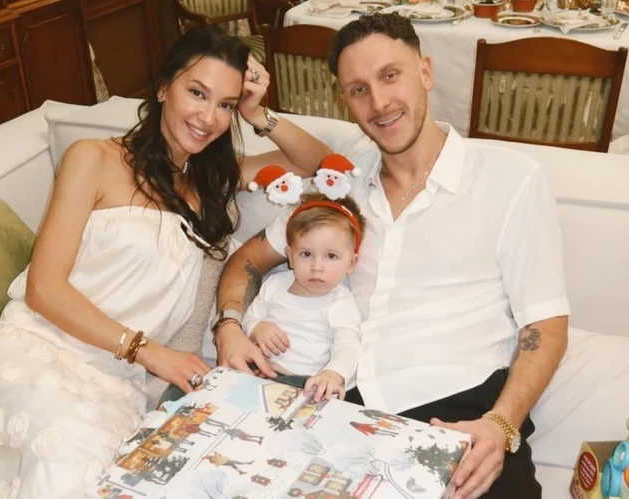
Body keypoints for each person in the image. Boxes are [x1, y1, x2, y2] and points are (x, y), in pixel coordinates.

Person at [0, 25, 331, 499]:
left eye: (225, 104)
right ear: (163, 87)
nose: (208, 117)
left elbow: (319, 163)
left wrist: (257, 113)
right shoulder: (92, 159)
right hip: (39, 347)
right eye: (197, 93)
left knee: (122, 482)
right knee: (68, 464)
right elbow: (43, 288)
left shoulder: (215, 180)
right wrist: (149, 352)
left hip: (119, 381)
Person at [214, 13, 569, 499]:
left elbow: (546, 323)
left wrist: (501, 423)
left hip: (466, 411)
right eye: (359, 89)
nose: (379, 103)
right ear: (345, 100)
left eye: (390, 76)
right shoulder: (339, 186)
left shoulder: (511, 179)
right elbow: (246, 261)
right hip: (346, 409)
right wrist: (229, 325)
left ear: (425, 72)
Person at [240, 189, 366, 403]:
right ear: (290, 256)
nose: (317, 266)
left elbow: (348, 345)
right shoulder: (275, 284)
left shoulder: (340, 302)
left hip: (306, 384)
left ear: (351, 263)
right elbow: (249, 318)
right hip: (259, 371)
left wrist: (332, 374)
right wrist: (257, 328)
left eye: (331, 256)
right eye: (306, 254)